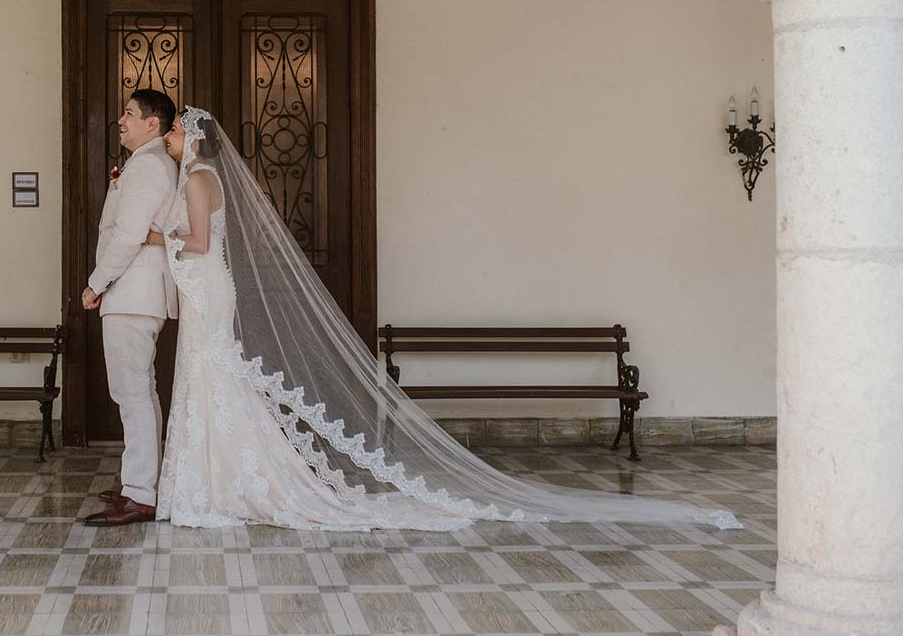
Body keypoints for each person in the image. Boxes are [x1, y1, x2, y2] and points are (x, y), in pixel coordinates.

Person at [144, 106, 740, 531]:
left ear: (192, 139)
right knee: (214, 381)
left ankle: (222, 484)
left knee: (213, 379)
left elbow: (198, 243)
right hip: (207, 295)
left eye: (172, 131)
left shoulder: (198, 179)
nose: (169, 138)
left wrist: (158, 240)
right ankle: (215, 480)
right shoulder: (207, 177)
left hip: (205, 289)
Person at [81, 89, 179, 527]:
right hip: (139, 293)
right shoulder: (149, 163)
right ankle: (141, 483)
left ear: (152, 124)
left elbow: (128, 235)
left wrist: (95, 283)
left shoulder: (148, 167)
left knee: (132, 393)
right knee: (141, 391)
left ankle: (140, 494)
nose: (120, 120)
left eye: (129, 113)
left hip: (133, 293)